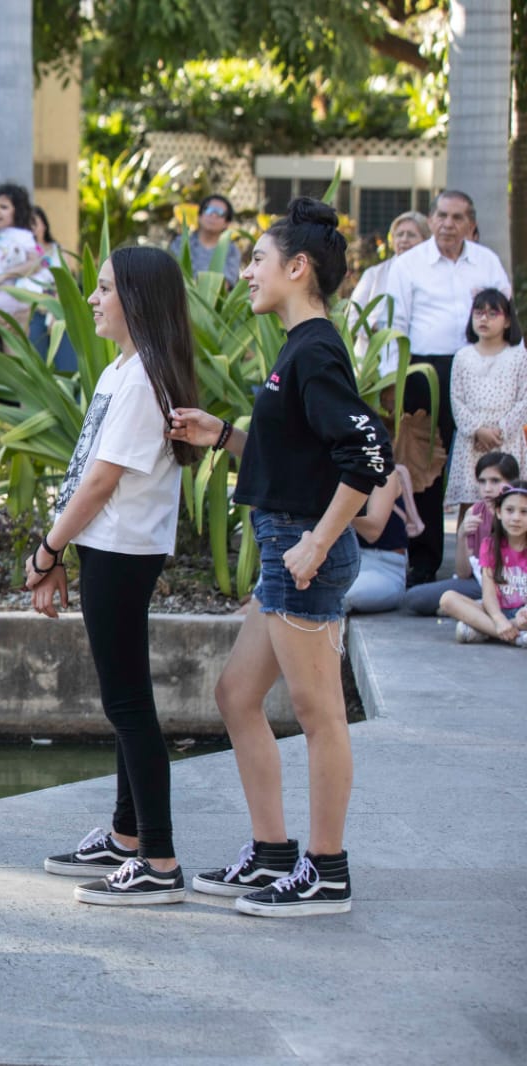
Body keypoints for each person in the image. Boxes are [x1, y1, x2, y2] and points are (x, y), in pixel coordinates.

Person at [167, 197, 392, 917]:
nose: (246, 274)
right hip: (285, 546)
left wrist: (317, 543)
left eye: (257, 260)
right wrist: (224, 433)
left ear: (298, 268)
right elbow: (298, 452)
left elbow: (367, 455)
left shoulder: (317, 347)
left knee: (318, 711)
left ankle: (326, 871)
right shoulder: (298, 349)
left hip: (303, 549)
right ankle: (273, 854)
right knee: (236, 695)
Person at [30, 246, 201, 906]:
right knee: (123, 698)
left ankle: (158, 859)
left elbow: (102, 483)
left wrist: (48, 551)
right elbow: (88, 474)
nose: (94, 299)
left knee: (129, 703)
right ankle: (128, 837)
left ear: (137, 300)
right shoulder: (122, 370)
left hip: (126, 551)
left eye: (104, 289)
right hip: (109, 548)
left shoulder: (141, 379)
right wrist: (66, 552)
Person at [383, 190, 512, 584]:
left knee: (484, 462)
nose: (448, 225)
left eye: (457, 218)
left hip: (481, 369)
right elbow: (394, 325)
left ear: (470, 224)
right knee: (424, 468)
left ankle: (491, 563)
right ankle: (424, 565)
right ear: (431, 217)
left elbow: (507, 314)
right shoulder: (409, 265)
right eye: (441, 216)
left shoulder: (486, 261)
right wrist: (393, 382)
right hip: (425, 373)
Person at [402, 452, 520, 614]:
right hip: (480, 583)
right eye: (482, 481)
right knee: (415, 597)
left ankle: (474, 610)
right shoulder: (475, 512)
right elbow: (463, 573)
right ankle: (476, 608)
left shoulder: (520, 513)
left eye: (495, 481)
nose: (487, 489)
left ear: (511, 483)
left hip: (516, 584)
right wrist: (462, 534)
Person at [445, 290, 527, 510]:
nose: (483, 318)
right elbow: (456, 400)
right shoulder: (463, 356)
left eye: (492, 314)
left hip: (506, 441)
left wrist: (499, 432)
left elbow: (524, 400)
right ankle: (467, 544)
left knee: (509, 501)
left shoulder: (519, 356)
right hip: (472, 442)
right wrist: (477, 430)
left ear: (508, 320)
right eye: (479, 312)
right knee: (471, 506)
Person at [439, 481, 527, 647]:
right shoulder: (490, 545)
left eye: (524, 512)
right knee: (448, 599)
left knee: (467, 629)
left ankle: (484, 630)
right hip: (496, 611)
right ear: (499, 512)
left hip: (524, 614)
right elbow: (488, 593)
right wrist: (499, 619)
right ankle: (515, 637)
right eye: (510, 510)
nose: (516, 518)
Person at [348, 211, 429, 352]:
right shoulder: (373, 274)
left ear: (426, 240)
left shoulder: (431, 276)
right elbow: (351, 318)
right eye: (399, 234)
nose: (404, 240)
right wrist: (375, 327)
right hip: (372, 360)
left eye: (411, 235)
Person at [342, 466, 414, 614]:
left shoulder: (384, 471)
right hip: (342, 562)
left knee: (340, 595)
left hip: (383, 568)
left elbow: (373, 531)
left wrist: (333, 507)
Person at [0, 182, 47, 332]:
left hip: (9, 293)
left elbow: (35, 262)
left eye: (4, 207)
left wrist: (3, 277)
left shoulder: (22, 236)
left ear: (17, 211)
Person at [27, 205, 79, 373]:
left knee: (68, 362)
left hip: (59, 308)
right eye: (27, 225)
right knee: (37, 362)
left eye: (35, 223)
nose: (32, 229)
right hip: (32, 311)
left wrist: (55, 308)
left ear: (44, 224)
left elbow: (67, 278)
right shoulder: (23, 252)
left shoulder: (59, 250)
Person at [168, 194, 242, 288]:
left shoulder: (231, 251)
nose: (213, 215)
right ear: (199, 216)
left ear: (227, 223)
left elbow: (226, 284)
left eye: (219, 213)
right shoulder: (181, 243)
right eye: (209, 209)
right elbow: (171, 275)